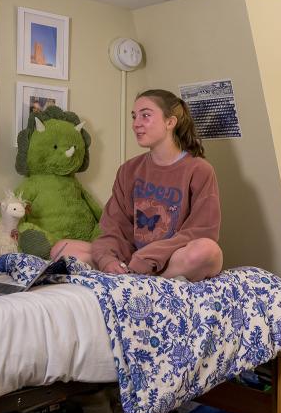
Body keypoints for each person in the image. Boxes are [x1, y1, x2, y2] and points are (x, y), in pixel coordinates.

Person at [50, 89, 222, 281]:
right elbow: (112, 226)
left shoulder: (199, 169)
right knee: (62, 248)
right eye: (134, 117)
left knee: (208, 251)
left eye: (145, 115)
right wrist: (108, 259)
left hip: (171, 258)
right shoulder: (129, 170)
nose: (136, 124)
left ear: (170, 122)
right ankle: (128, 278)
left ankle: (141, 282)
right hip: (133, 259)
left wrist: (148, 258)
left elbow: (201, 230)